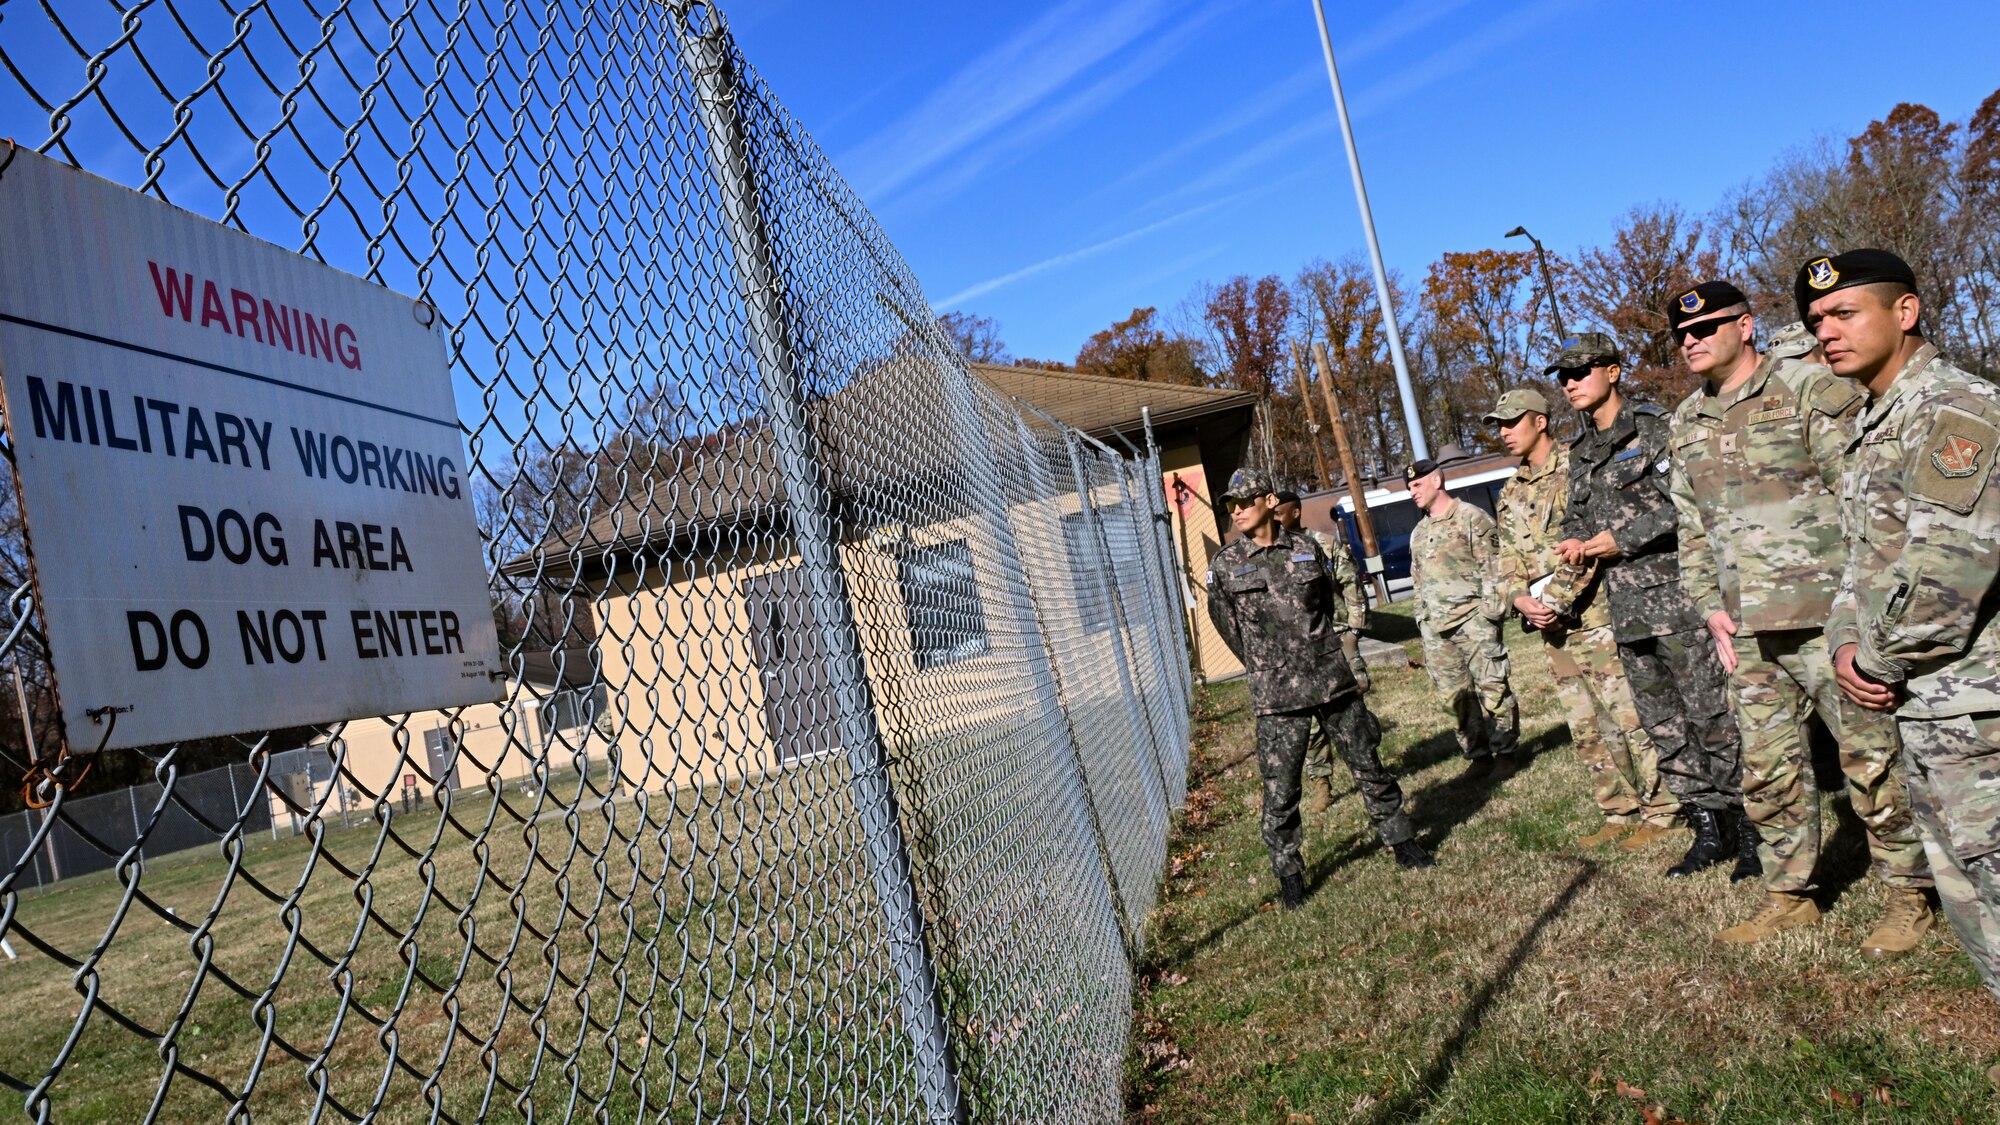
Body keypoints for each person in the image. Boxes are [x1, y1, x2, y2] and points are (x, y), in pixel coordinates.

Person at [1664, 279, 1933, 951]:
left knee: (1872, 761)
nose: (1691, 341)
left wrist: (1864, 607)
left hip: (1828, 620)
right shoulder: (1686, 421)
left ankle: (1911, 892)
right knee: (1770, 768)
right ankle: (1790, 893)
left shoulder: (1810, 392)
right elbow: (1690, 528)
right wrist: (1710, 609)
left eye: (1706, 327)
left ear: (1747, 326)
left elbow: (1868, 498)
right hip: (1748, 631)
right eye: (1681, 335)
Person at [1809, 249, 2000, 1006]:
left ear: (1906, 312)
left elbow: (1950, 576)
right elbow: (1859, 565)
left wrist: (1873, 659)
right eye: (1817, 319)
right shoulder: (1871, 423)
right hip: (1923, 706)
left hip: (1976, 710)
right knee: (1967, 895)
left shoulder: (1957, 410)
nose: (1825, 330)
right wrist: (1843, 642)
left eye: (1844, 312)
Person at [1552, 332, 1747, 878]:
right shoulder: (1582, 452)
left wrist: (1623, 537)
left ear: (1613, 371)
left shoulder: (1657, 427)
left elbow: (1688, 504)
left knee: (1714, 717)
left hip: (1683, 599)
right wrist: (1575, 541)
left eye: (1580, 371)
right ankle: (1709, 827)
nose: (1569, 383)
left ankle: (1753, 825)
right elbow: (1577, 516)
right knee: (1664, 723)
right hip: (1629, 610)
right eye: (1562, 376)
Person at [1207, 467, 1434, 908]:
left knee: (1368, 764)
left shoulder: (1308, 548)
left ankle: (1401, 841)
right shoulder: (1225, 565)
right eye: (1229, 505)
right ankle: (1290, 874)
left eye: (1244, 502)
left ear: (1270, 501)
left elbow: (1326, 605)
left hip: (1331, 680)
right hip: (1277, 696)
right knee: (1282, 790)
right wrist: (1266, 664)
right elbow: (1228, 627)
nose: (1236, 511)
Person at [1486, 387, 1679, 848]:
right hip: (1549, 626)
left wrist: (1555, 603)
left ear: (1540, 421)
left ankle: (1664, 807)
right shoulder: (1512, 490)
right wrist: (1517, 598)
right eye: (1500, 425)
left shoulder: (1579, 465)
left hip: (1593, 615)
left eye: (1513, 422)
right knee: (1586, 723)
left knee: (1629, 715)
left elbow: (1588, 542)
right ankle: (1618, 809)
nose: (1505, 432)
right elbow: (1506, 554)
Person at [1406, 458, 1519, 776]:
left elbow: (1494, 568)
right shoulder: (1419, 532)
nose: (1412, 492)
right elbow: (1418, 581)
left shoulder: (1472, 518)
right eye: (1409, 487)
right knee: (1454, 697)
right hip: (1437, 630)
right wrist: (1422, 618)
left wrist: (1489, 616)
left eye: (1416, 485)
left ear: (1436, 481)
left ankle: (1506, 751)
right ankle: (1477, 755)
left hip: (1473, 620)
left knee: (1493, 687)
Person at [1274, 491, 1373, 816]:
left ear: (1296, 513)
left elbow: (1350, 584)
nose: (1275, 518)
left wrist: (1355, 630)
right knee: (1313, 722)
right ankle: (1322, 786)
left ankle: (1369, 770)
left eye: (1281, 513)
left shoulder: (1324, 544)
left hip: (1336, 637)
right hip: (1301, 651)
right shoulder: (1272, 555)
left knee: (1351, 709)